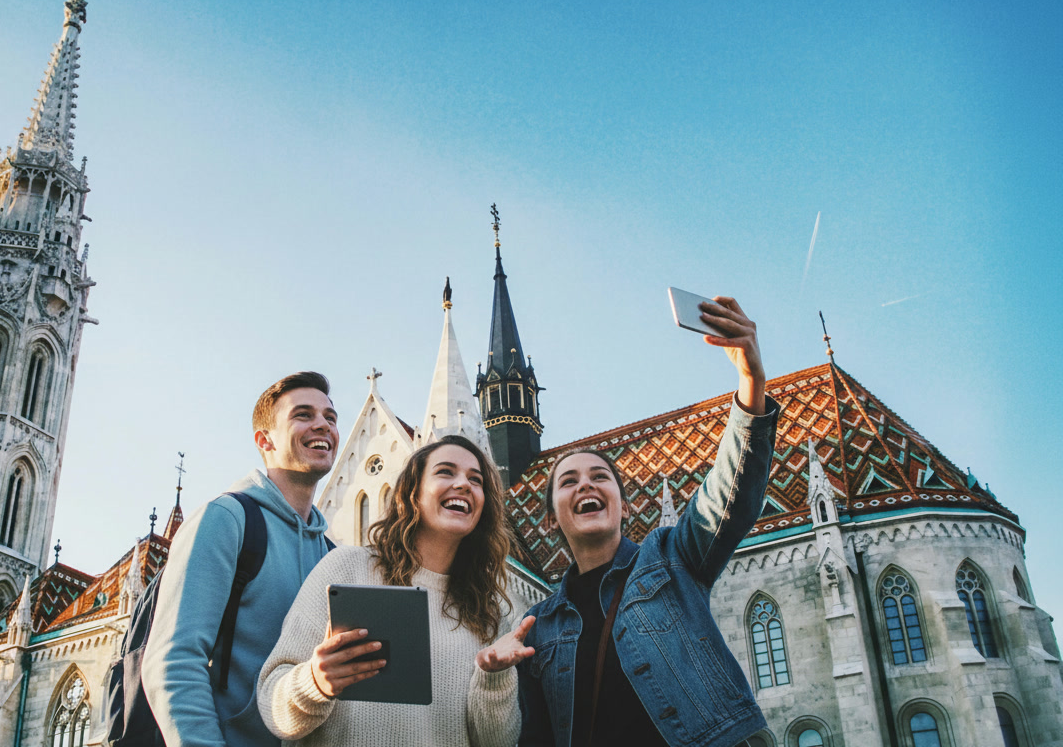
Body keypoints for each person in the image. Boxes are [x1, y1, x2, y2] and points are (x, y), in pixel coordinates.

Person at [517, 296, 781, 747]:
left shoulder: (673, 558)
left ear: (624, 505)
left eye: (600, 477)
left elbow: (731, 495)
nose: (586, 486)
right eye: (569, 481)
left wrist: (751, 383)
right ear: (549, 521)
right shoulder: (536, 627)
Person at [257, 434, 532, 747]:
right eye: (445, 471)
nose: (463, 484)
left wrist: (494, 678)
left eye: (476, 479)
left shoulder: (489, 609)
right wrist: (316, 683)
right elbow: (271, 705)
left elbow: (497, 743)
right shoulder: (347, 568)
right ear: (413, 493)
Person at [144, 372, 340, 747]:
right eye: (303, 415)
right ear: (264, 441)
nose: (322, 425)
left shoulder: (332, 554)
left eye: (330, 418)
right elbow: (174, 661)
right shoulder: (226, 519)